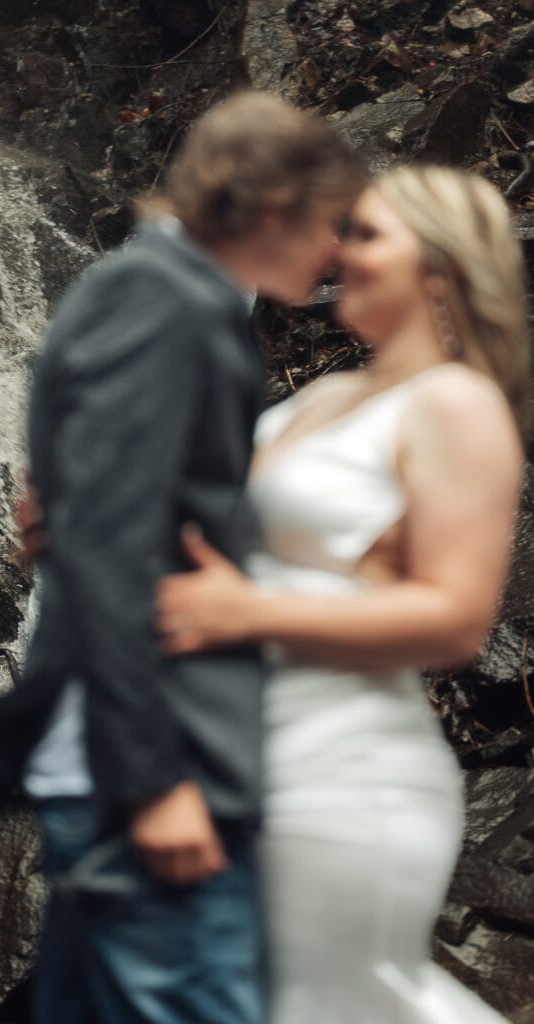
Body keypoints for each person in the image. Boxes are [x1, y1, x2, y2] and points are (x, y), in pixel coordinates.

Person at [0, 91, 363, 1024]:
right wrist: (154, 781)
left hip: (122, 755)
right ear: (268, 204)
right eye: (330, 221)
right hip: (150, 760)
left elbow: (95, 524)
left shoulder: (155, 295)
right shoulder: (161, 302)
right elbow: (112, 548)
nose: (339, 250)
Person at [157, 165, 529, 1023]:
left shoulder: (455, 404)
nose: (335, 250)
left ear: (437, 265)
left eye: (364, 234)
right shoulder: (317, 401)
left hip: (338, 774)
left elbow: (456, 617)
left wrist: (248, 613)